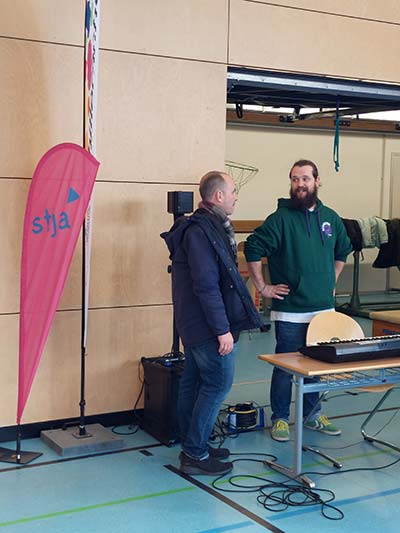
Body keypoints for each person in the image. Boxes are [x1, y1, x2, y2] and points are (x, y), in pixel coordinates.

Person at [162, 171, 262, 475]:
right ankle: (194, 452)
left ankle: (196, 444)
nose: (235, 196)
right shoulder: (200, 232)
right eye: (233, 191)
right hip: (206, 326)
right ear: (218, 196)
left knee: (193, 384)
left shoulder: (207, 227)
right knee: (217, 384)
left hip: (194, 325)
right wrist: (222, 330)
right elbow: (206, 286)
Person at [244, 159, 352, 442]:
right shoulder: (280, 219)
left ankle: (312, 414)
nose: (300, 184)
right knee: (285, 366)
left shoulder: (331, 217)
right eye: (295, 179)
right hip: (291, 312)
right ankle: (280, 417)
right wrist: (262, 287)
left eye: (305, 178)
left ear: (317, 181)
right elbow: (253, 247)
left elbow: (343, 249)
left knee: (317, 366)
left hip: (323, 311)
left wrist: (332, 281)